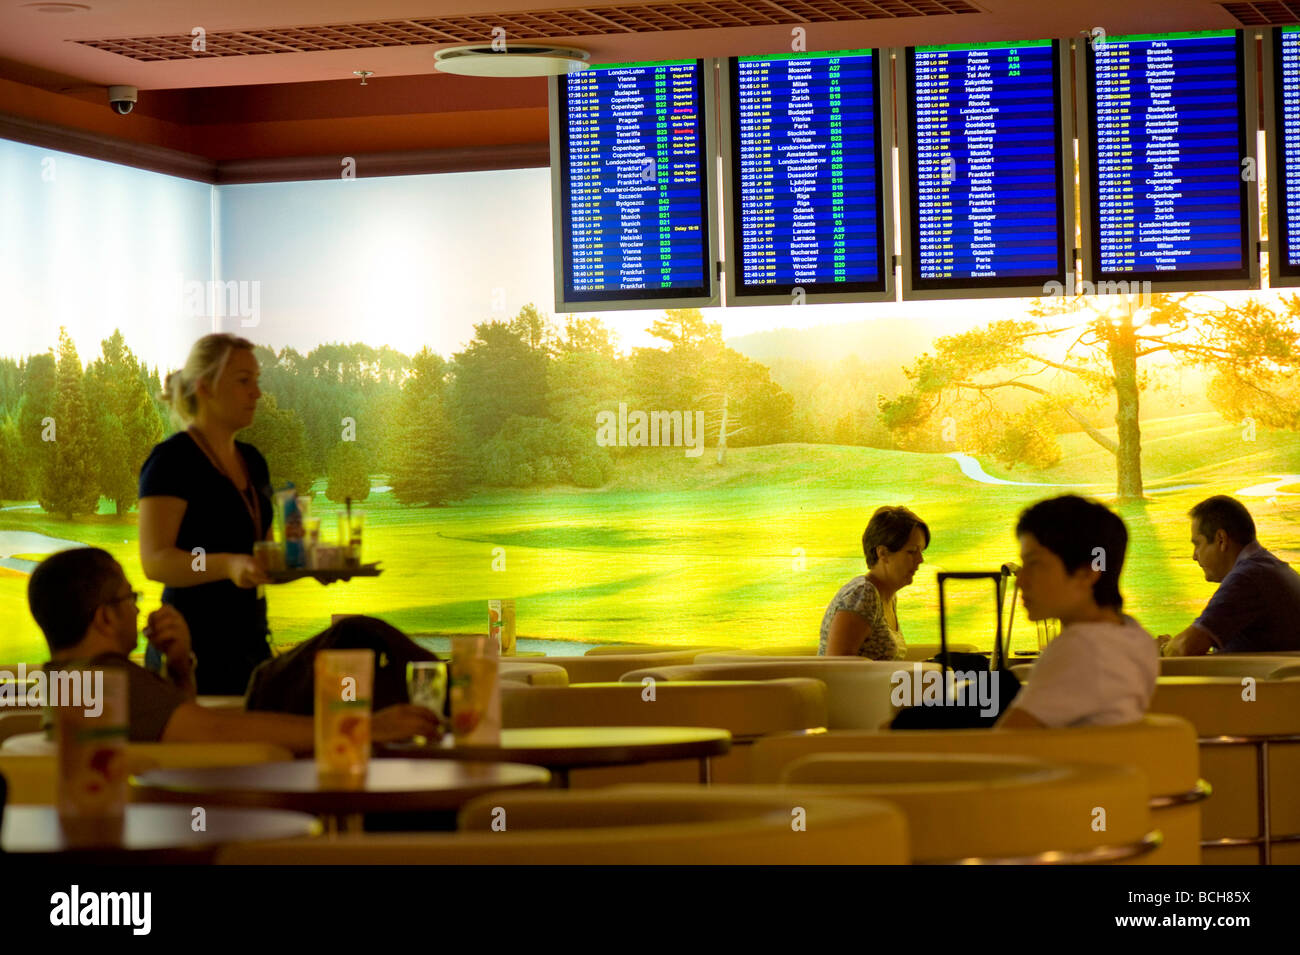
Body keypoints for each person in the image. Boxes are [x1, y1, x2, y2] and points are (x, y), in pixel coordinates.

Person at [27, 548, 438, 752]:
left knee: (354, 636)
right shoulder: (106, 684)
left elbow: (178, 728)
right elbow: (216, 734)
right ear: (103, 618)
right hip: (229, 807)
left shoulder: (71, 681)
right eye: (128, 597)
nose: (137, 607)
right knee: (353, 635)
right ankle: (445, 700)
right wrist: (370, 728)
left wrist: (179, 666)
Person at [138, 334, 278, 695]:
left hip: (251, 646)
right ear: (205, 387)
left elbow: (262, 558)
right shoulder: (172, 461)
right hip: (187, 651)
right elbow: (156, 562)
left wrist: (311, 564)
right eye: (244, 381)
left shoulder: (253, 462)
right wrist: (227, 565)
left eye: (256, 381)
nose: (257, 393)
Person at [996, 495, 1158, 729]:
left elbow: (1002, 747)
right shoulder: (1135, 637)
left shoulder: (1081, 648)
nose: (1020, 581)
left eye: (1035, 563)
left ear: (1087, 573)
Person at [1158, 495, 1300, 656]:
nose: (1194, 556)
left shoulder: (1247, 579)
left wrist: (1162, 650)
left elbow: (1185, 648)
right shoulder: (1268, 568)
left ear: (1221, 540)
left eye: (1198, 544)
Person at [819, 506, 929, 660]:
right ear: (883, 553)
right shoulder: (863, 595)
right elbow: (837, 667)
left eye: (921, 552)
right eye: (911, 551)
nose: (920, 560)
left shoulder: (887, 596)